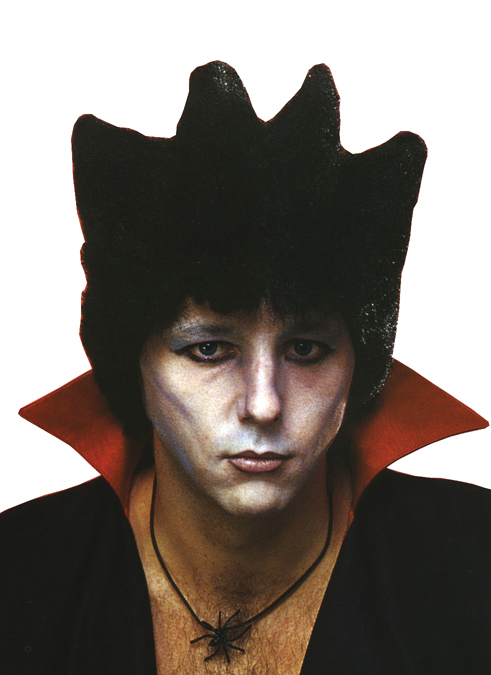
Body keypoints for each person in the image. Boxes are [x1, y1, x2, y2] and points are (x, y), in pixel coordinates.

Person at [1, 61, 489, 674]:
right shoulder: (19, 574)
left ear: (360, 366)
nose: (263, 404)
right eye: (208, 349)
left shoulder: (474, 564)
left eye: (306, 350)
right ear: (132, 365)